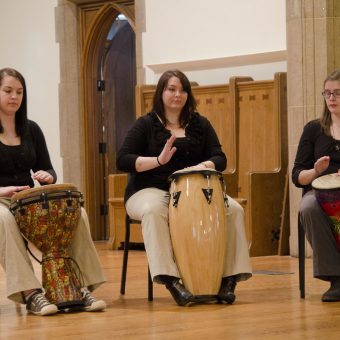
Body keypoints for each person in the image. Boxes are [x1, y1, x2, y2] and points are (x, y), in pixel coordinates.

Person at [116, 69, 252, 306]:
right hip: (150, 189)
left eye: (182, 89)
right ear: (161, 93)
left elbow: (220, 158)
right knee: (153, 210)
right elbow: (123, 160)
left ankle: (229, 279)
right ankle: (171, 280)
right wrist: (158, 161)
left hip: (194, 190)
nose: (177, 94)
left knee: (234, 209)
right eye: (171, 89)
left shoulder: (200, 123)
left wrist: (199, 166)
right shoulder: (146, 124)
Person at [0, 67, 107, 316]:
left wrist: (48, 176)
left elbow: (47, 168)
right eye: (7, 91)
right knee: (3, 218)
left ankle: (77, 286)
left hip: (26, 202)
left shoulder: (31, 129)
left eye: (19, 92)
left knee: (76, 213)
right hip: (2, 202)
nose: (14, 96)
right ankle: (30, 293)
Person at [292, 69, 340, 302]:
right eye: (328, 93)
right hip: (319, 191)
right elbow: (297, 175)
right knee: (308, 207)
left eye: (337, 93)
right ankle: (336, 278)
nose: (331, 98)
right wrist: (316, 171)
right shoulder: (313, 129)